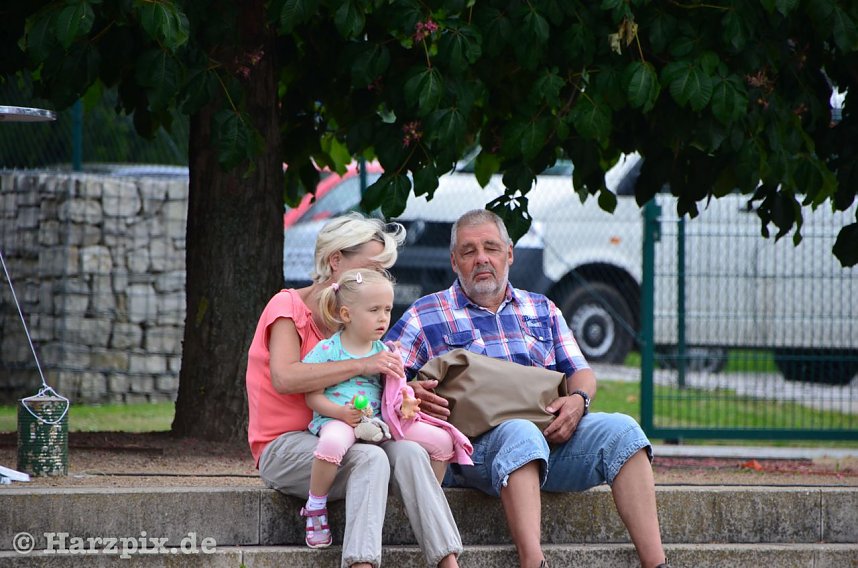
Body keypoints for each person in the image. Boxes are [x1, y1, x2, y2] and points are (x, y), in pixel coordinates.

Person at [386, 209, 669, 568]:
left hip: (553, 436)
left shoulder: (543, 309)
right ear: (454, 261)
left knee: (624, 432)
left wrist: (578, 402)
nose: (481, 259)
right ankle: (533, 562)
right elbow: (385, 375)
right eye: (469, 251)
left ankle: (656, 563)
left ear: (510, 254)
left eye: (491, 248)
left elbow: (581, 373)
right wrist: (410, 392)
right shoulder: (425, 314)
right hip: (474, 451)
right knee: (520, 433)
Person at [246, 212, 463, 568]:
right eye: (371, 267)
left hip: (352, 435)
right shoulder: (287, 308)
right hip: (285, 447)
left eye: (382, 270)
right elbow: (285, 378)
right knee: (372, 458)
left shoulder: (360, 316)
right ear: (336, 260)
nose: (378, 278)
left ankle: (447, 561)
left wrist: (402, 391)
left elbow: (361, 381)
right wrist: (364, 365)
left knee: (410, 453)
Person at [302, 268, 473, 548]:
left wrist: (406, 402)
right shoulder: (327, 350)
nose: (383, 318)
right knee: (331, 444)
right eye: (374, 310)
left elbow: (397, 389)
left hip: (381, 422)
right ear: (346, 315)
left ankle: (421, 501)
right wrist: (341, 413)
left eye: (387, 309)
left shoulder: (387, 351)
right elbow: (313, 398)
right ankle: (315, 506)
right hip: (340, 418)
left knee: (443, 442)